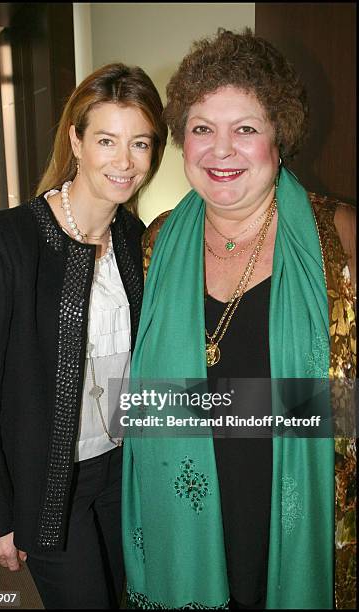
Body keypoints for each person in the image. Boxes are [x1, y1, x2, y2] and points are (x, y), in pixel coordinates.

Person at [122, 29, 356, 609]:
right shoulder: (155, 244)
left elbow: (349, 404)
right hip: (185, 499)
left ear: (280, 137)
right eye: (202, 128)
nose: (221, 150)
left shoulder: (341, 238)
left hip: (293, 498)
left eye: (245, 129)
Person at [0, 62, 167, 609]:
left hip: (126, 473)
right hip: (48, 483)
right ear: (75, 140)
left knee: (127, 595)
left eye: (140, 143)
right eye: (106, 140)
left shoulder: (133, 239)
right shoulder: (1, 244)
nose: (124, 161)